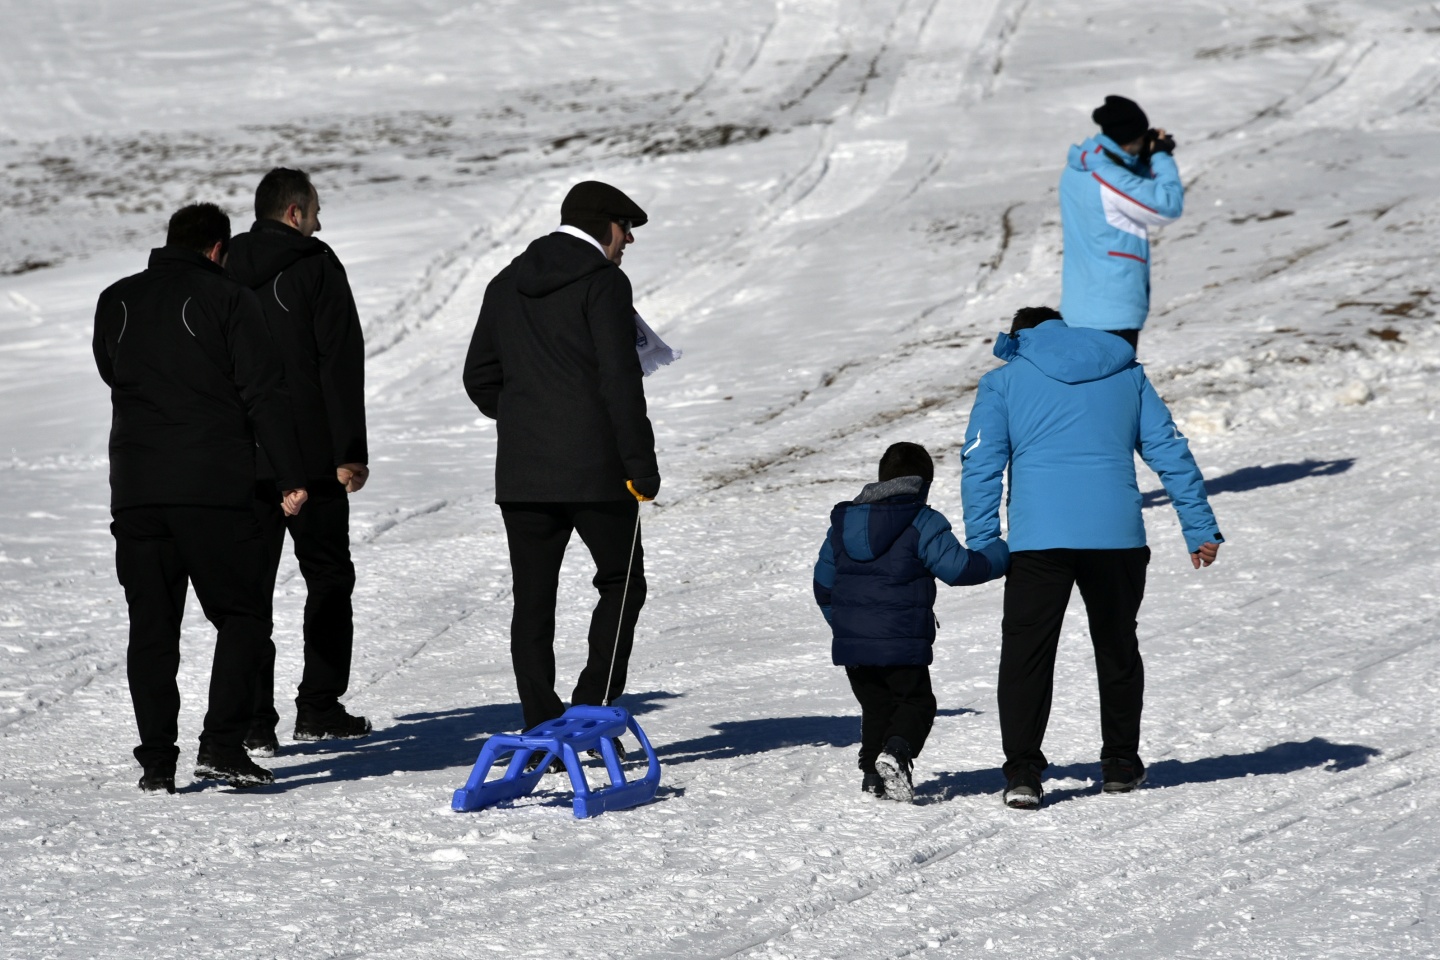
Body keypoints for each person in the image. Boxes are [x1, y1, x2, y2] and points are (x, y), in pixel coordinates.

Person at [960, 307, 1223, 810]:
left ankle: (1022, 773)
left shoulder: (1005, 382)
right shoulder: (1126, 372)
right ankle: (1121, 763)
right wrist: (1198, 525)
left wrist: (986, 542)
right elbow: (1169, 449)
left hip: (1038, 542)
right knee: (1117, 647)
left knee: (1026, 656)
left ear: (1020, 337)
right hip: (1116, 537)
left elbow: (981, 464)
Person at [93, 202, 309, 792]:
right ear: (218, 249)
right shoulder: (230, 299)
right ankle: (219, 745)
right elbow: (264, 391)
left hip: (136, 491)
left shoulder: (115, 299)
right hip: (214, 488)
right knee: (241, 617)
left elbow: (112, 372)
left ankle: (158, 762)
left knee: (152, 628)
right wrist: (290, 474)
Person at [463, 180, 660, 745]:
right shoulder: (603, 283)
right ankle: (591, 708)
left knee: (533, 597)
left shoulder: (505, 283)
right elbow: (620, 381)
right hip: (598, 471)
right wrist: (640, 463)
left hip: (523, 475)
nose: (628, 242)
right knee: (623, 583)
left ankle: (540, 718)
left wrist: (528, 420)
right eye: (626, 229)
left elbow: (479, 377)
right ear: (603, 225)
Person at [226, 168, 371, 753]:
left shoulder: (223, 265)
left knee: (250, 592)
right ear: (293, 214)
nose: (320, 221)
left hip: (247, 457)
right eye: (314, 210)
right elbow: (339, 361)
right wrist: (349, 453)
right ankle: (318, 706)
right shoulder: (316, 264)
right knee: (329, 579)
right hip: (312, 458)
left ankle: (255, 719)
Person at [813, 442, 1009, 803]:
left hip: (853, 643)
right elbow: (959, 568)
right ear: (923, 484)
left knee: (876, 707)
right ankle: (897, 753)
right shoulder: (922, 520)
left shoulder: (843, 523)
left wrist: (845, 625)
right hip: (901, 640)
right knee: (916, 704)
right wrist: (1001, 554)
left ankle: (873, 777)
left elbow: (823, 586)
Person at [1058, 95, 1183, 349]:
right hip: (1110, 310)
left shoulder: (1079, 168)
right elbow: (1167, 206)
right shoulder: (1109, 178)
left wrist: (1143, 157)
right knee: (1113, 386)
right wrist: (1160, 157)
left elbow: (1124, 186)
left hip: (1081, 304)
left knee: (1087, 386)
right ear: (1129, 141)